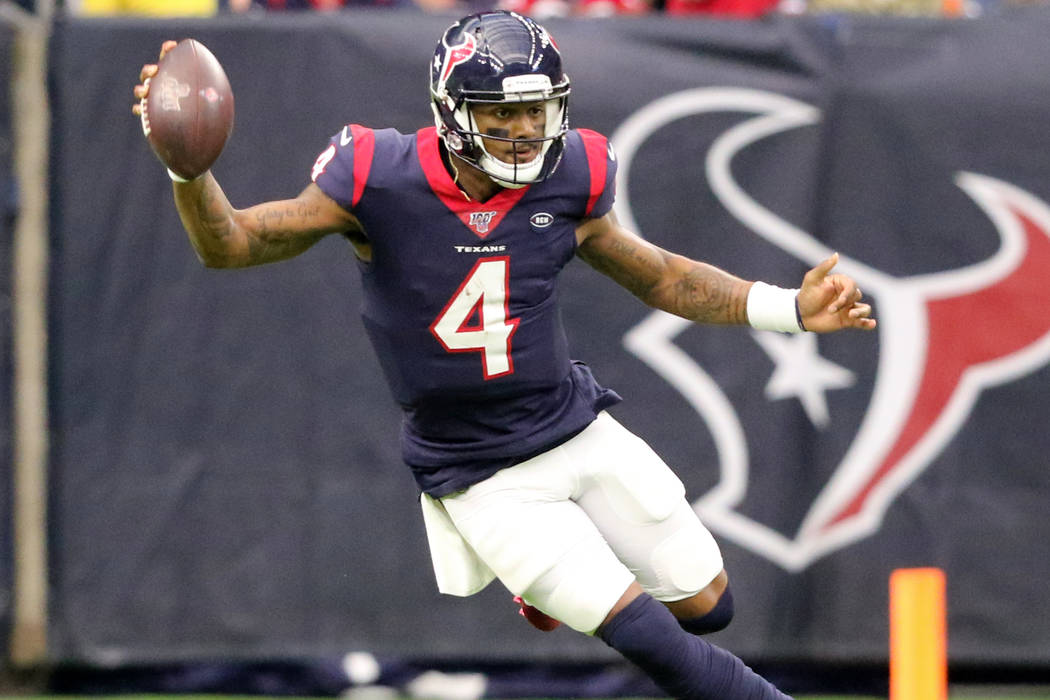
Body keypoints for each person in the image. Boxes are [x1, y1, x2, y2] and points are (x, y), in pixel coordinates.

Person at [132, 12, 875, 699]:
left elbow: (662, 275)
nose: (523, 132)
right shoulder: (377, 176)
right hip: (479, 469)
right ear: (452, 115)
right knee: (648, 636)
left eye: (535, 111)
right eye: (500, 115)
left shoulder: (572, 176)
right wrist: (187, 171)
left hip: (574, 425)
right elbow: (231, 245)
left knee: (708, 606)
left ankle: (533, 587)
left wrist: (786, 309)